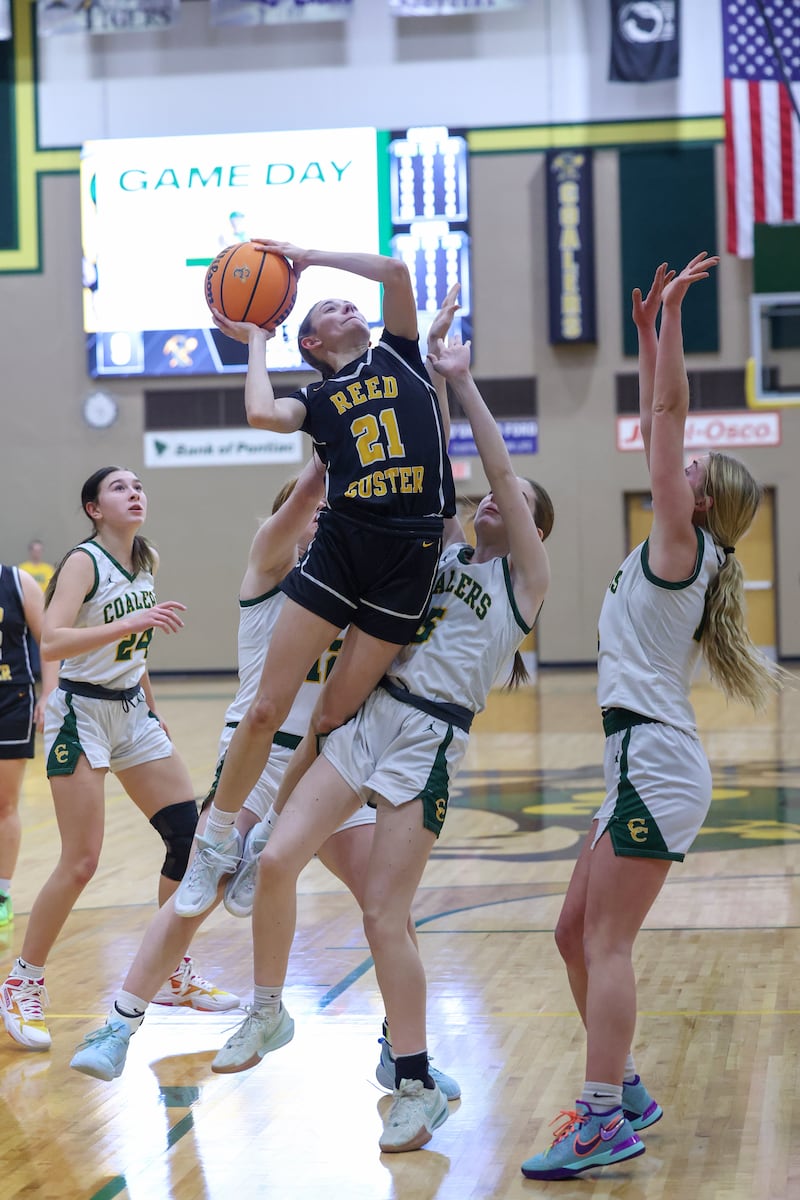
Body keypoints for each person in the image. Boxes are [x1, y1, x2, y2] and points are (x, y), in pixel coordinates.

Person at [69, 302, 463, 1103]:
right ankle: (121, 1019)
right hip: (256, 762)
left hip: (331, 767)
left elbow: (424, 467)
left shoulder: (366, 571)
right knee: (193, 889)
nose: (321, 518)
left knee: (386, 909)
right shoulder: (271, 566)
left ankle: (403, 1049)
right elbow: (311, 476)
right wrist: (323, 456)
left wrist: (427, 390)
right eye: (312, 511)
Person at [206, 335, 553, 1155]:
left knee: (380, 913)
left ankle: (416, 1081)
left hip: (427, 740)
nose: (492, 502)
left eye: (512, 501)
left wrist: (460, 384)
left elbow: (496, 472)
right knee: (279, 860)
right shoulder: (436, 557)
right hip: (370, 720)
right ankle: (267, 1012)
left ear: (536, 523)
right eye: (491, 500)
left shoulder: (525, 583)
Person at [520, 253, 785, 1181]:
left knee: (607, 941)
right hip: (635, 759)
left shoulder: (684, 542)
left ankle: (600, 1121)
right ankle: (624, 1084)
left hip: (655, 763)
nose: (677, 462)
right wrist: (642, 339)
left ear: (701, 500)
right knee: (569, 934)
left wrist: (672, 317)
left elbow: (668, 423)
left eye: (692, 468)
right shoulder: (676, 542)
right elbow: (658, 428)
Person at [173, 244, 456, 920]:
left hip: (411, 554)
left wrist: (305, 257)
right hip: (343, 547)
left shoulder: (400, 354)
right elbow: (262, 415)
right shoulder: (318, 399)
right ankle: (215, 840)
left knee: (332, 718)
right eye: (329, 308)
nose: (345, 304)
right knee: (268, 711)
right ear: (312, 340)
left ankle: (269, 829)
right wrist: (256, 343)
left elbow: (394, 274)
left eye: (343, 301)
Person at [0, 467, 237, 1054]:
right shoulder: (83, 562)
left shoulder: (144, 560)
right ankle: (21, 980)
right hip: (81, 714)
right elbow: (51, 640)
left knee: (191, 841)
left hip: (132, 712)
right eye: (119, 488)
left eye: (138, 485)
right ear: (93, 509)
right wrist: (125, 623)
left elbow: (139, 653)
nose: (134, 493)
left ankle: (169, 972)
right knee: (82, 861)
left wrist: (153, 714)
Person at [0, 566, 58, 929]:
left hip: (11, 701)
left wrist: (49, 694)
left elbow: (49, 642)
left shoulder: (17, 582)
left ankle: (2, 893)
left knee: (4, 802)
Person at [17, 541, 55, 680]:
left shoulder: (47, 569)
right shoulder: (23, 569)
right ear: (30, 551)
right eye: (35, 550)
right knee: (27, 641)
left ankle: (42, 671)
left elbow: (51, 589)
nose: (37, 553)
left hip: (42, 610)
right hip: (24, 610)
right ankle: (31, 668)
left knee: (42, 639)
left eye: (40, 550)